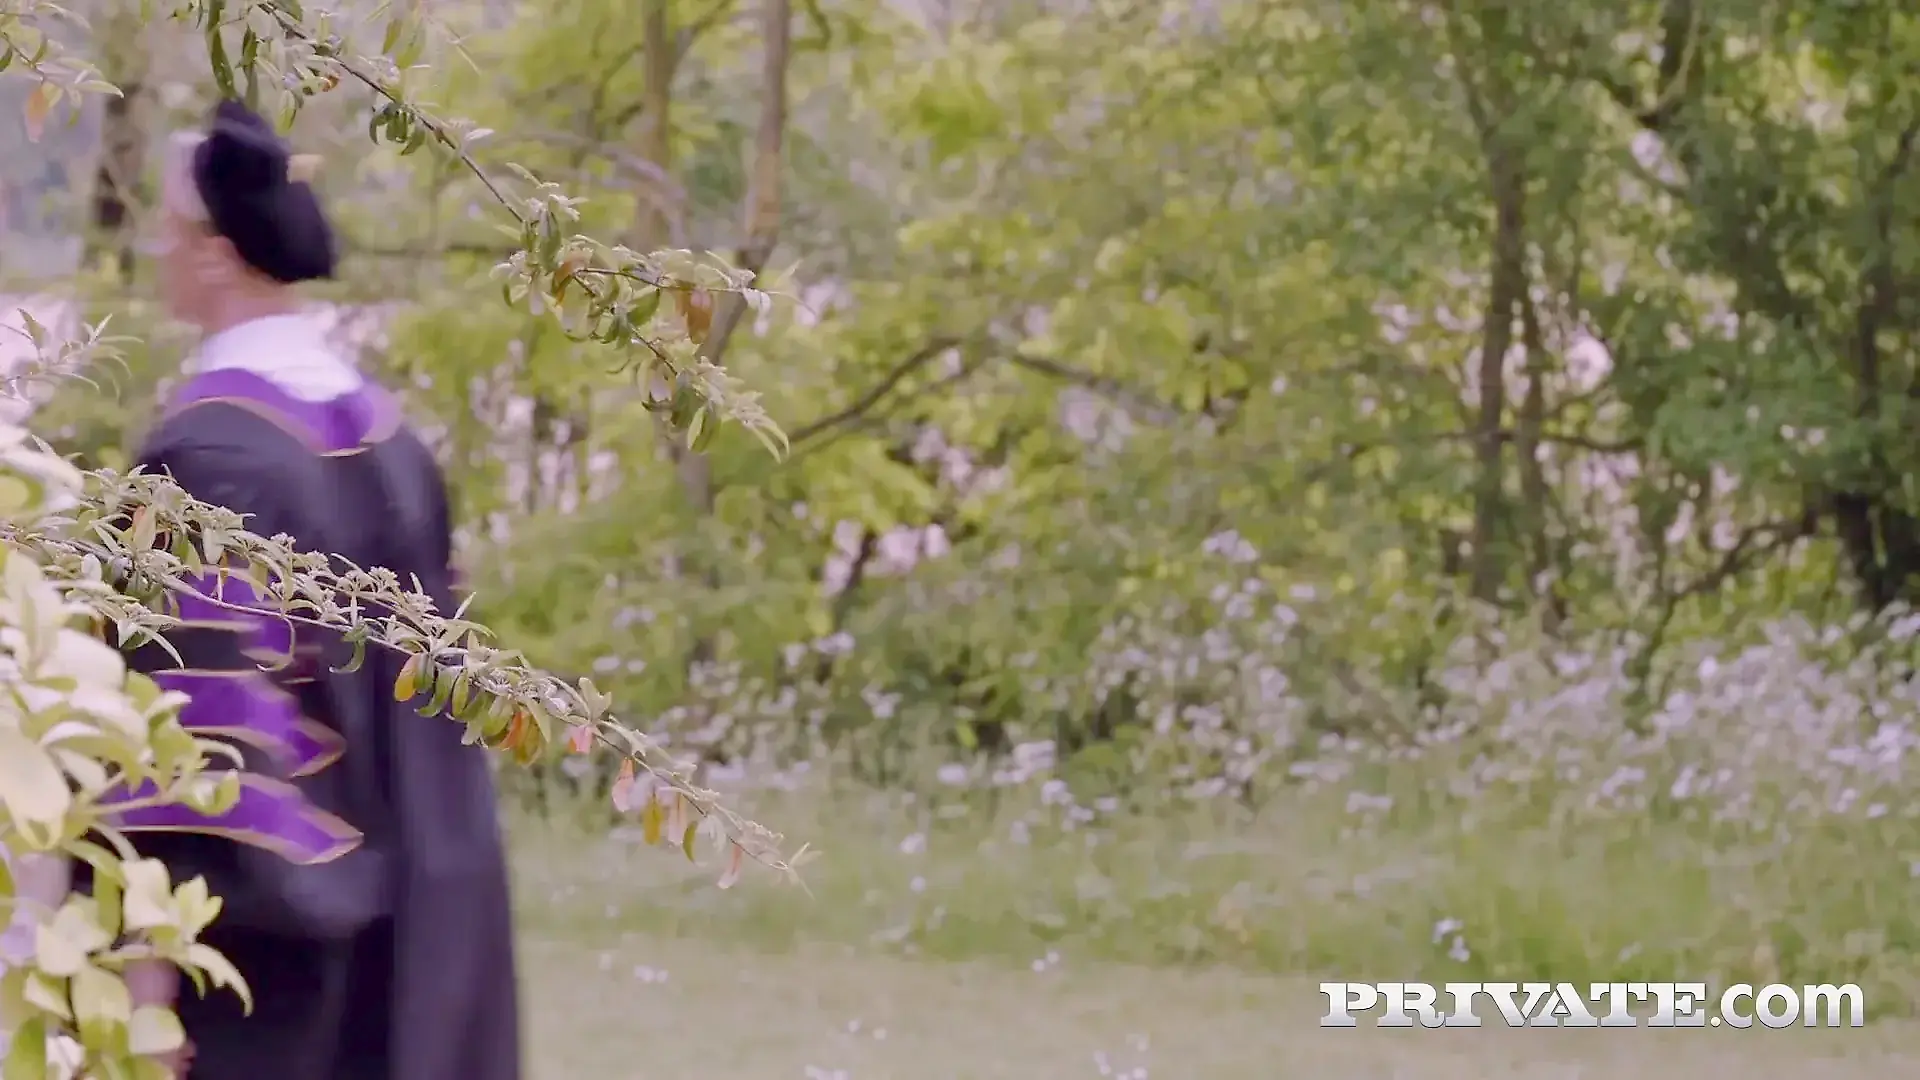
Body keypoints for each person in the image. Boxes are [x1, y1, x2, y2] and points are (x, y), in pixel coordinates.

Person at [96, 99, 522, 1080]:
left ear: (214, 257)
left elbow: (185, 746)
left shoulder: (206, 460)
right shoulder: (391, 439)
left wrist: (147, 980)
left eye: (167, 231)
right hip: (428, 923)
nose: (155, 251)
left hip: (270, 965)